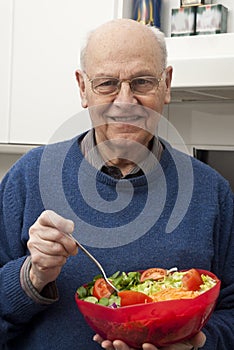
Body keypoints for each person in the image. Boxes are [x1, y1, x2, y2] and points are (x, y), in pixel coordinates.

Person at [0, 18, 233, 350]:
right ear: (83, 88)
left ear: (166, 85)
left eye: (141, 82)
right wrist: (32, 277)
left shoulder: (213, 193)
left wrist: (199, 343)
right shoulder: (26, 178)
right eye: (107, 83)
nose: (125, 102)